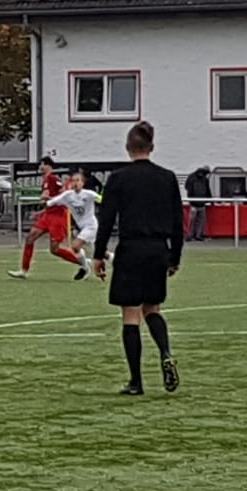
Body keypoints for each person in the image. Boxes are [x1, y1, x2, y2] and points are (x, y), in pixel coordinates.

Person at [94, 122, 183, 396]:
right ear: (151, 147)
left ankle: (136, 381)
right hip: (157, 249)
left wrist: (98, 255)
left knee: (130, 315)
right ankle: (166, 352)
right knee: (152, 308)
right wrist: (175, 257)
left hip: (131, 249)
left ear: (128, 148)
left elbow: (106, 219)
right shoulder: (167, 178)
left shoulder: (118, 178)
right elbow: (178, 221)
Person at [9, 156, 82, 278]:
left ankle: (82, 262)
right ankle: (24, 270)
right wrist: (41, 212)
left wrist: (49, 198)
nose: (40, 167)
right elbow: (50, 201)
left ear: (48, 166)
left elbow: (64, 197)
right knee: (30, 238)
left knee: (54, 249)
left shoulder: (53, 179)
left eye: (42, 164)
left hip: (57, 217)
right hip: (48, 216)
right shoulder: (46, 180)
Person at [47, 171, 102, 281]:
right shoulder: (68, 195)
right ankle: (117, 263)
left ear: (82, 183)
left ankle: (85, 268)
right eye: (73, 180)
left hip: (91, 225)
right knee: (101, 252)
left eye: (78, 180)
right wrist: (46, 201)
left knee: (75, 246)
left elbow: (102, 200)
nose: (75, 183)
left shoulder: (89, 194)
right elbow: (51, 202)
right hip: (81, 227)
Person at [185, 166, 212, 240]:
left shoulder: (191, 177)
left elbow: (187, 187)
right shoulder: (205, 179)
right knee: (199, 220)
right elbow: (207, 190)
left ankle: (190, 235)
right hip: (200, 203)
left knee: (192, 220)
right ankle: (197, 235)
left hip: (194, 202)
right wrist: (210, 199)